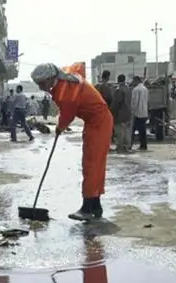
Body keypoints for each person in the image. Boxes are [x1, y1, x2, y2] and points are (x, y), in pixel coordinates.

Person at [31, 62, 113, 221]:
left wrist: (59, 128)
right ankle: (95, 205)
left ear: (50, 78)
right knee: (94, 165)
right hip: (95, 122)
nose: (41, 87)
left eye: (42, 83)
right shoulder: (65, 81)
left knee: (91, 165)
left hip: (99, 122)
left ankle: (87, 208)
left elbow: (67, 115)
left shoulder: (66, 90)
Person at [110, 73, 132, 153]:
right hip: (128, 113)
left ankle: (120, 147)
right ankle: (127, 146)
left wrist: (110, 111)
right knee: (126, 131)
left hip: (120, 114)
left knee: (120, 131)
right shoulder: (128, 88)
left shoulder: (118, 90)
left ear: (118, 80)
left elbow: (116, 103)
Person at [131, 76, 149, 151]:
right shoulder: (145, 89)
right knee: (142, 130)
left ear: (136, 81)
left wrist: (132, 111)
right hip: (144, 112)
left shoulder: (135, 90)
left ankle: (129, 145)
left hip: (137, 113)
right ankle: (143, 145)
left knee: (132, 130)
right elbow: (147, 100)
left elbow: (134, 102)